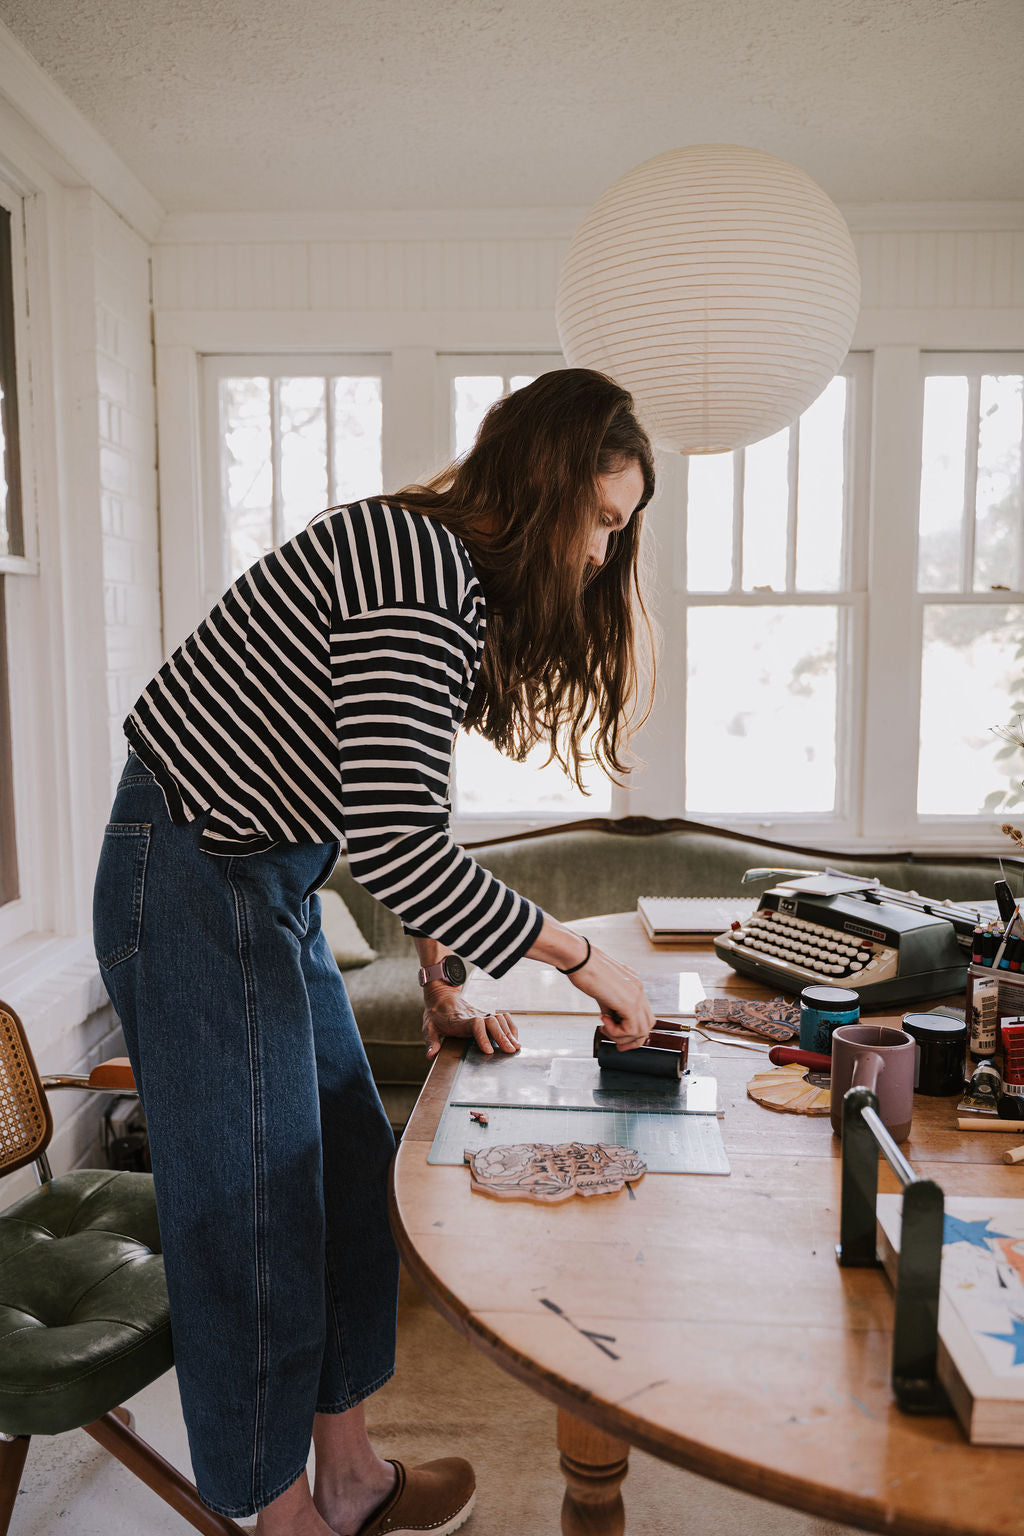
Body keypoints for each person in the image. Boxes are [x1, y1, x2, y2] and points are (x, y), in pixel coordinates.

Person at [92, 368, 658, 1536]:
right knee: (250, 1210)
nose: (604, 556)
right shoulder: (415, 568)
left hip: (270, 873)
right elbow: (397, 844)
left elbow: (399, 817)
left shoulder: (441, 580)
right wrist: (579, 959)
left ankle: (347, 1477)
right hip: (190, 866)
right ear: (547, 485)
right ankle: (280, 1513)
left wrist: (442, 983)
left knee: (351, 1162)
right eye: (603, 522)